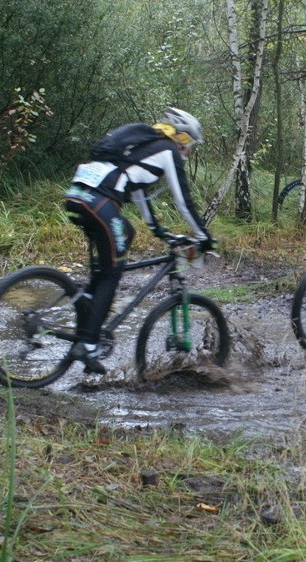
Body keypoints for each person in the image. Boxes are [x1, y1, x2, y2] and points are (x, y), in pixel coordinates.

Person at [64, 107, 215, 373]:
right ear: (180, 137)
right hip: (100, 202)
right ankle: (87, 345)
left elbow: (138, 190)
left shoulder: (143, 148)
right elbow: (183, 201)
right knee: (113, 273)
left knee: (124, 238)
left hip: (78, 194)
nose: (189, 149)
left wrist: (154, 227)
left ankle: (86, 297)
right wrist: (203, 236)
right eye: (189, 142)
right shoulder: (169, 151)